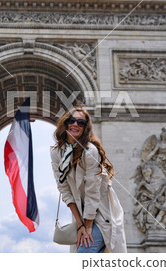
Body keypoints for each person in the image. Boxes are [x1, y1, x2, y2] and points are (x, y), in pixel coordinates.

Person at [51, 107, 127, 253]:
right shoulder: (56, 152)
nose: (75, 125)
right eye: (72, 121)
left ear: (86, 128)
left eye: (81, 123)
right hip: (82, 217)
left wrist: (88, 226)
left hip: (101, 215)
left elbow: (92, 192)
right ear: (66, 123)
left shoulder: (90, 151)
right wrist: (80, 225)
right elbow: (64, 189)